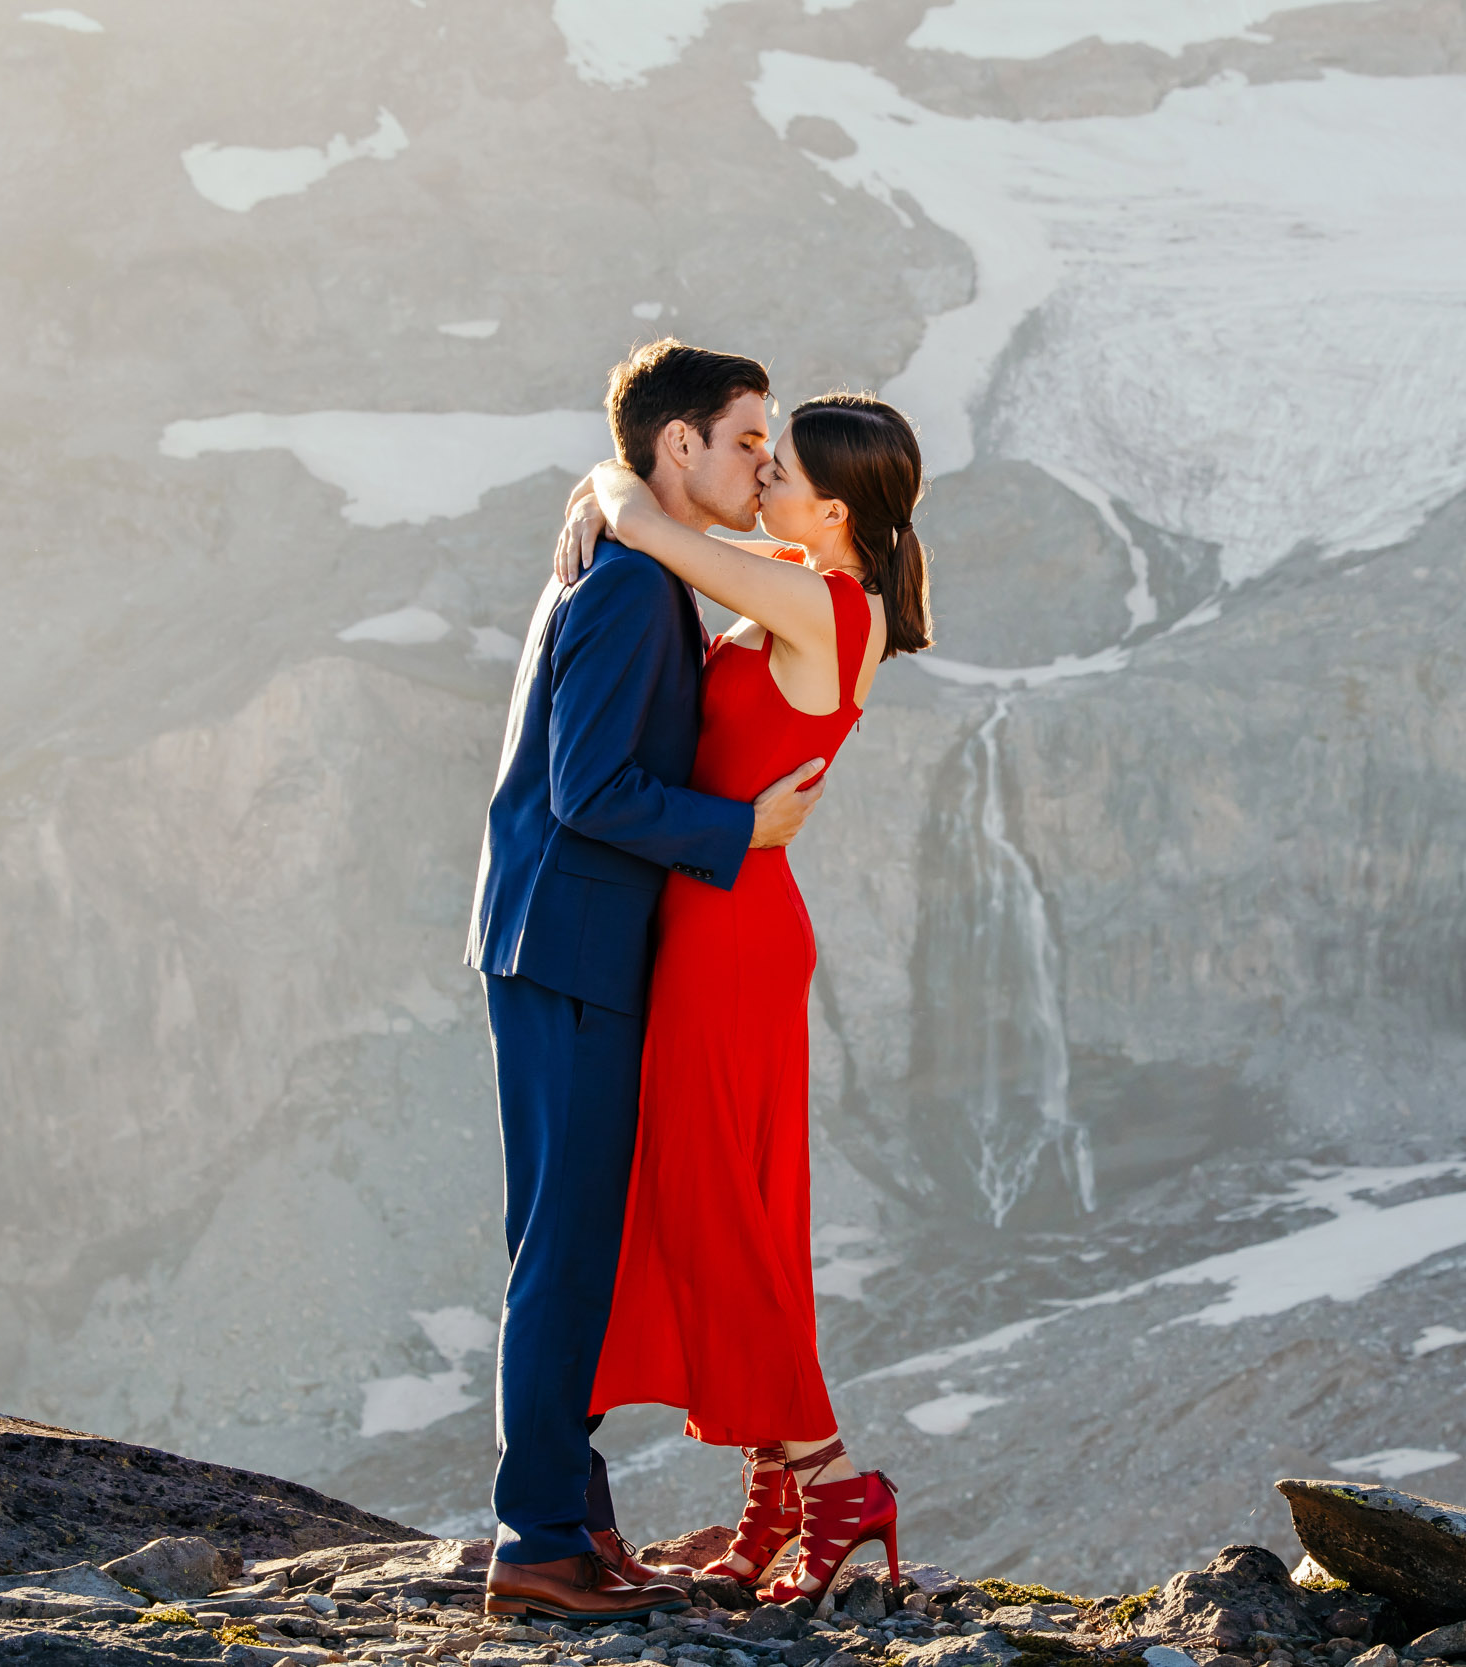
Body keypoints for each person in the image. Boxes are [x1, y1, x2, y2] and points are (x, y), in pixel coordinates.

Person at [464, 340, 832, 1622]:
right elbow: (591, 790)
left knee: (569, 1240)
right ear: (677, 444)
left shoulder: (637, 560)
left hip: (560, 941)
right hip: (572, 947)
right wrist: (742, 835)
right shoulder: (628, 588)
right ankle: (540, 1543)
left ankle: (576, 1519)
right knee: (565, 1247)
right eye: (744, 439)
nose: (759, 461)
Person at [556, 387, 933, 1600]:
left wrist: (605, 484)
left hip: (733, 933)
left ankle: (830, 1479)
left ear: (830, 509)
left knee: (719, 1205)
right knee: (731, 1200)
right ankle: (773, 1495)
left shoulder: (827, 602)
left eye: (780, 469)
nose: (758, 474)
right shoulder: (812, 576)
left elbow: (658, 535)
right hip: (724, 921)